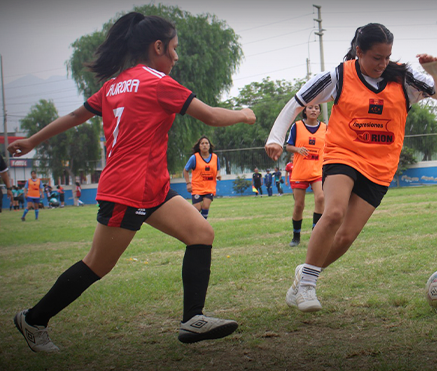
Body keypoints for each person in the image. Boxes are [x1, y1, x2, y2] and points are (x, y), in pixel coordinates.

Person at [8, 12, 255, 352]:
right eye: (174, 48)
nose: (176, 56)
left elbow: (75, 116)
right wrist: (244, 113)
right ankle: (33, 319)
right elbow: (210, 115)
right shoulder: (158, 82)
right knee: (97, 263)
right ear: (157, 47)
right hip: (128, 190)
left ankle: (192, 320)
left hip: (151, 187)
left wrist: (34, 140)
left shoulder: (113, 85)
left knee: (201, 233)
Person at [265, 23, 437, 312]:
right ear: (359, 52)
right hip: (343, 154)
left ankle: (305, 276)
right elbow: (297, 102)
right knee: (334, 211)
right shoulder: (339, 75)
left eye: (387, 57)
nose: (383, 64)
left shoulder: (401, 78)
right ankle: (308, 287)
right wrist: (276, 138)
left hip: (381, 165)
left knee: (346, 237)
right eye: (377, 57)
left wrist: (435, 72)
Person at [285, 104, 327, 247]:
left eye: (316, 108)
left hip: (318, 170)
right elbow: (288, 146)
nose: (313, 110)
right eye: (310, 108)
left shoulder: (325, 128)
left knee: (321, 198)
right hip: (300, 171)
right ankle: (296, 236)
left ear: (320, 111)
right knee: (299, 205)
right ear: (304, 111)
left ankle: (317, 233)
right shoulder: (297, 126)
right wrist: (297, 149)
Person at [183, 136, 221, 220]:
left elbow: (218, 169)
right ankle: (194, 223)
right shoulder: (194, 158)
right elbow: (185, 170)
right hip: (197, 187)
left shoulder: (215, 158)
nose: (204, 145)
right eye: (202, 143)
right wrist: (188, 183)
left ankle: (203, 225)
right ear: (199, 146)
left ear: (209, 146)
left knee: (205, 206)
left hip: (209, 188)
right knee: (197, 208)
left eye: (206, 143)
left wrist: (218, 174)